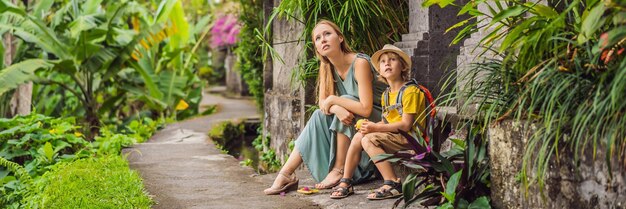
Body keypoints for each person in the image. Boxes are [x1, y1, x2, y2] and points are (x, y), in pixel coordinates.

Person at [263, 20, 386, 195]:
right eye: (318, 38)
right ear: (317, 48)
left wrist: (335, 100)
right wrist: (335, 107)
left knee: (344, 100)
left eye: (328, 34)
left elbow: (366, 109)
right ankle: (286, 174)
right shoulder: (326, 65)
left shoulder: (360, 63)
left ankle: (339, 169)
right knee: (318, 116)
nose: (323, 40)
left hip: (378, 120)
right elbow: (323, 104)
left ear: (340, 38)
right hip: (354, 120)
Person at [329, 44, 426, 199]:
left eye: (392, 59)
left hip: (411, 139)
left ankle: (392, 182)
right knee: (359, 136)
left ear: (402, 66)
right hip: (396, 136)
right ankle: (346, 181)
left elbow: (406, 125)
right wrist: (371, 126)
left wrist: (375, 128)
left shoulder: (410, 92)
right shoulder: (386, 94)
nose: (387, 63)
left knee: (368, 140)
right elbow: (386, 121)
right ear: (379, 71)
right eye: (383, 61)